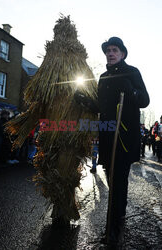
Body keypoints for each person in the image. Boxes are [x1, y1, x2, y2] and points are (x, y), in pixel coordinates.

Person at [75, 37, 150, 248]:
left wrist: (132, 91)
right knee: (112, 182)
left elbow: (145, 100)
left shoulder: (132, 72)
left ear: (122, 53)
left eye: (114, 50)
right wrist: (85, 101)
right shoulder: (104, 77)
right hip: (108, 137)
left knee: (118, 185)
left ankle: (115, 229)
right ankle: (112, 225)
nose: (110, 53)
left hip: (124, 138)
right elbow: (101, 105)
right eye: (108, 50)